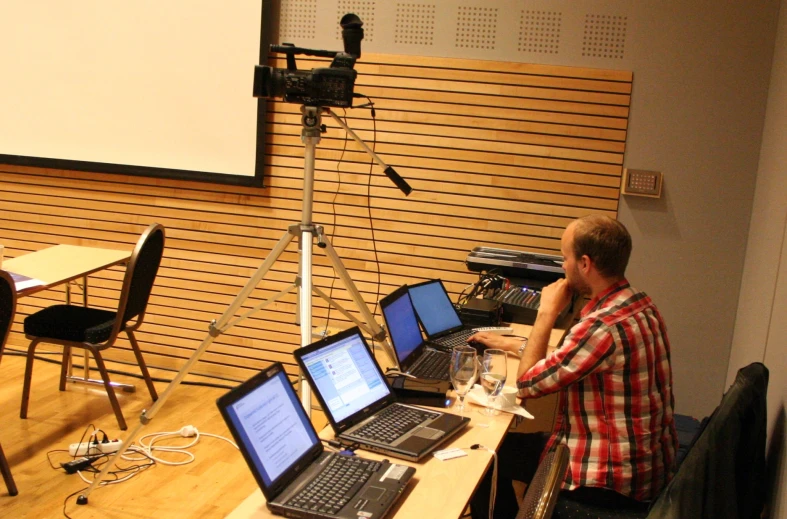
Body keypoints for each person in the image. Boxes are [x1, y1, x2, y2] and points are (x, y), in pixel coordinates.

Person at [469, 214, 678, 519]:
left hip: (608, 481)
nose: (562, 266)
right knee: (499, 453)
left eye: (564, 258)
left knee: (485, 457)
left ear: (584, 264)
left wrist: (546, 311)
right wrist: (512, 345)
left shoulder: (601, 326)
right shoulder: (638, 304)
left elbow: (527, 384)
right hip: (645, 465)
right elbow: (571, 359)